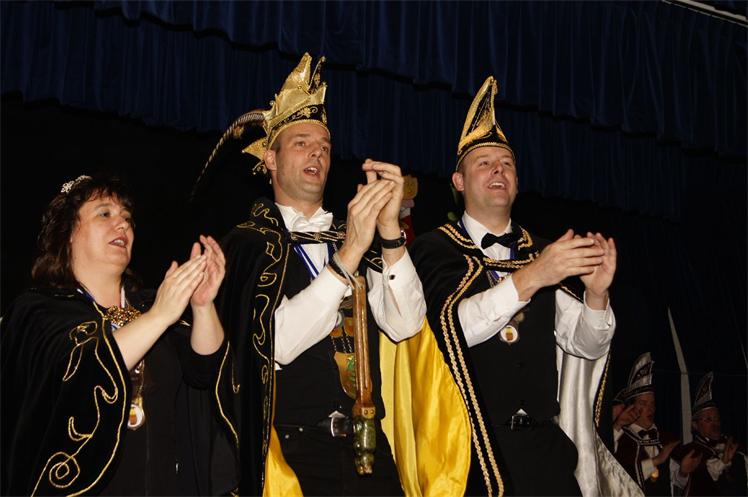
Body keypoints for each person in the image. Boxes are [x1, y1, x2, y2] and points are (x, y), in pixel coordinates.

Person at [392, 75, 636, 497]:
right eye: (484, 163)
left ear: (518, 181)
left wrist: (596, 296)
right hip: (471, 451)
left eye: (507, 164)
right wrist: (533, 276)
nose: (498, 170)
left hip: (546, 453)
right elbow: (453, 330)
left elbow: (586, 346)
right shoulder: (433, 249)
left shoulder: (540, 250)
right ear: (459, 182)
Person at [213, 53, 426, 496]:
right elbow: (277, 343)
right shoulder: (249, 243)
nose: (317, 153)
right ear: (270, 159)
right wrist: (347, 257)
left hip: (369, 448)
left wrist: (389, 232)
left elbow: (406, 324)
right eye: (302, 143)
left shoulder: (353, 234)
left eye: (325, 147)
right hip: (295, 454)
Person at [1, 174, 234, 495]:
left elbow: (206, 370)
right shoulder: (38, 312)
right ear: (68, 233)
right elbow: (81, 370)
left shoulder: (148, 306)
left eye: (127, 218)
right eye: (104, 214)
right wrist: (160, 316)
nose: (122, 224)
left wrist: (203, 306)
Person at [614, 352, 682, 496]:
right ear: (631, 407)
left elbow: (677, 480)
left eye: (652, 403)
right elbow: (616, 475)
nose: (650, 409)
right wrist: (657, 460)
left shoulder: (664, 438)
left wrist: (683, 472)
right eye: (644, 403)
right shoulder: (620, 436)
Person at [671, 372, 747, 496]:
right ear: (695, 425)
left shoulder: (734, 447)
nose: (715, 424)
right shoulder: (687, 451)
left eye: (717, 419)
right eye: (708, 419)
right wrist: (723, 462)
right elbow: (679, 483)